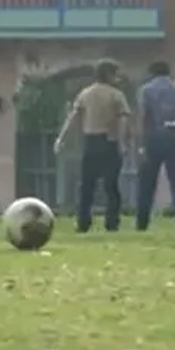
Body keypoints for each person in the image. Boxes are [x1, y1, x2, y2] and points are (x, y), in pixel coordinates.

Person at [53, 59, 131, 233]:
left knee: (87, 185)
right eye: (115, 74)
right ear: (109, 74)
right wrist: (122, 142)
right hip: (109, 141)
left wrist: (61, 138)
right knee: (111, 185)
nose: (118, 78)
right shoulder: (116, 95)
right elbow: (123, 119)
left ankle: (83, 221)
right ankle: (112, 222)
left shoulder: (85, 94)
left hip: (90, 141)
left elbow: (73, 117)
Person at [134, 60, 175, 231]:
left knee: (147, 182)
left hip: (154, 137)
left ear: (152, 73)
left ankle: (142, 221)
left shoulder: (146, 90)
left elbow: (143, 116)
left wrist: (141, 143)